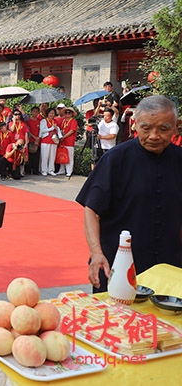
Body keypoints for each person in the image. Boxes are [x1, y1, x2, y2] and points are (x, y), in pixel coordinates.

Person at [76, 95, 182, 292]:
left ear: (177, 127)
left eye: (163, 129)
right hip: (119, 266)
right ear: (134, 124)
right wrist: (96, 253)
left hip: (170, 269)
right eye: (146, 127)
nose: (154, 135)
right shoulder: (115, 159)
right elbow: (92, 210)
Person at [57, 105, 78, 177]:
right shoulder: (63, 121)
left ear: (72, 114)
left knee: (69, 156)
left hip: (69, 141)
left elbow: (72, 131)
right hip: (63, 141)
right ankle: (62, 170)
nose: (67, 114)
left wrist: (64, 136)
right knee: (62, 155)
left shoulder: (73, 121)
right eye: (66, 112)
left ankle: (69, 171)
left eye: (69, 113)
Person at [38, 108, 60, 176]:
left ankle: (51, 170)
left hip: (53, 140)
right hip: (45, 141)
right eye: (50, 113)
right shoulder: (43, 121)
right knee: (45, 156)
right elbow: (42, 130)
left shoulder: (55, 121)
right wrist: (51, 128)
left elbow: (58, 129)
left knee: (52, 156)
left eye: (53, 113)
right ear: (47, 114)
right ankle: (44, 170)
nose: (51, 115)